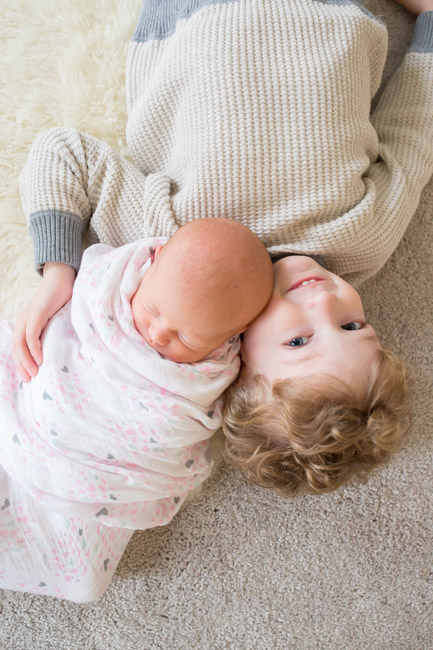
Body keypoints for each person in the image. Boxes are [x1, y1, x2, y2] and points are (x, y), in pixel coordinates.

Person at [12, 2, 433, 505]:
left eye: (298, 341)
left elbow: (64, 153)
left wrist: (59, 273)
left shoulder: (178, 258)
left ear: (236, 359)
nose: (324, 303)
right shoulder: (361, 238)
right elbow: (416, 129)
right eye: (353, 326)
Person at [0, 218, 273, 601]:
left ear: (231, 334)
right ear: (155, 258)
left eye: (185, 337)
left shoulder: (212, 374)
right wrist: (56, 277)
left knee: (81, 576)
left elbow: (179, 429)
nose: (159, 334)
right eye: (152, 309)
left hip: (99, 475)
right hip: (35, 396)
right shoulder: (118, 277)